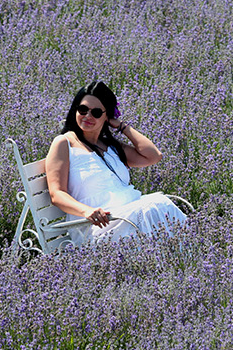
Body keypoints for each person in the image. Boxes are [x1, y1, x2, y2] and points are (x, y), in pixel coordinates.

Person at [45, 82, 189, 242]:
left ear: (107, 116)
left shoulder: (110, 146)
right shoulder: (64, 143)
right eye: (83, 109)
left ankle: (184, 260)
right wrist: (87, 211)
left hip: (127, 215)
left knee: (161, 204)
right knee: (151, 209)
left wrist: (122, 126)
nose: (88, 116)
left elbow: (153, 156)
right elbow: (56, 193)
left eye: (97, 112)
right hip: (96, 225)